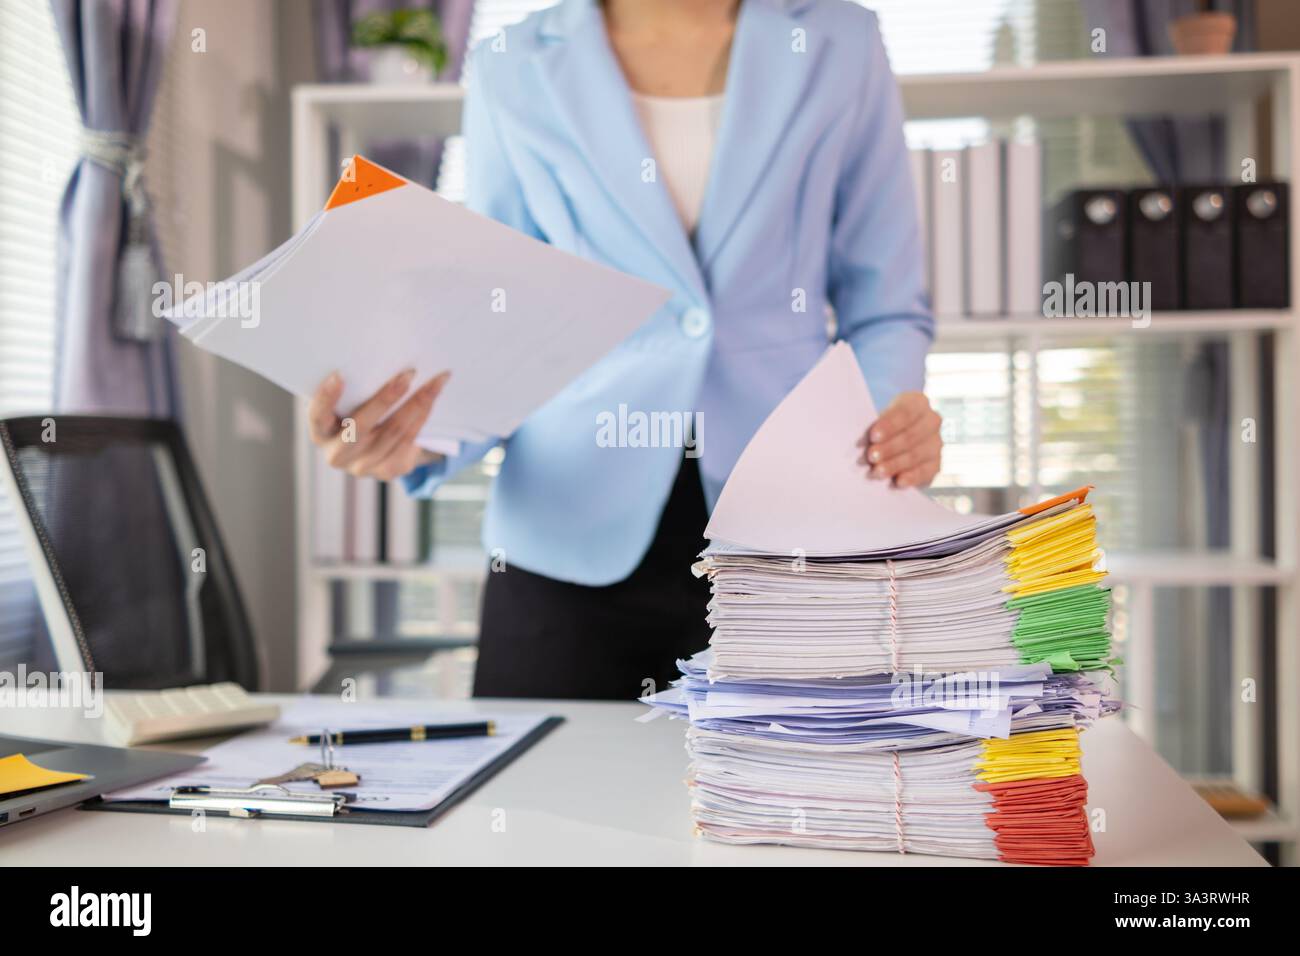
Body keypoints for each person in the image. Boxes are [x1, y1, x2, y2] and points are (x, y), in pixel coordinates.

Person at [307, 0, 943, 699]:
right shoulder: (510, 63)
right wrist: (418, 435)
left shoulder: (839, 41)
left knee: (795, 799)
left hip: (788, 528)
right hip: (565, 533)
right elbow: (497, 315)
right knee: (553, 804)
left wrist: (889, 417)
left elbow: (884, 306)